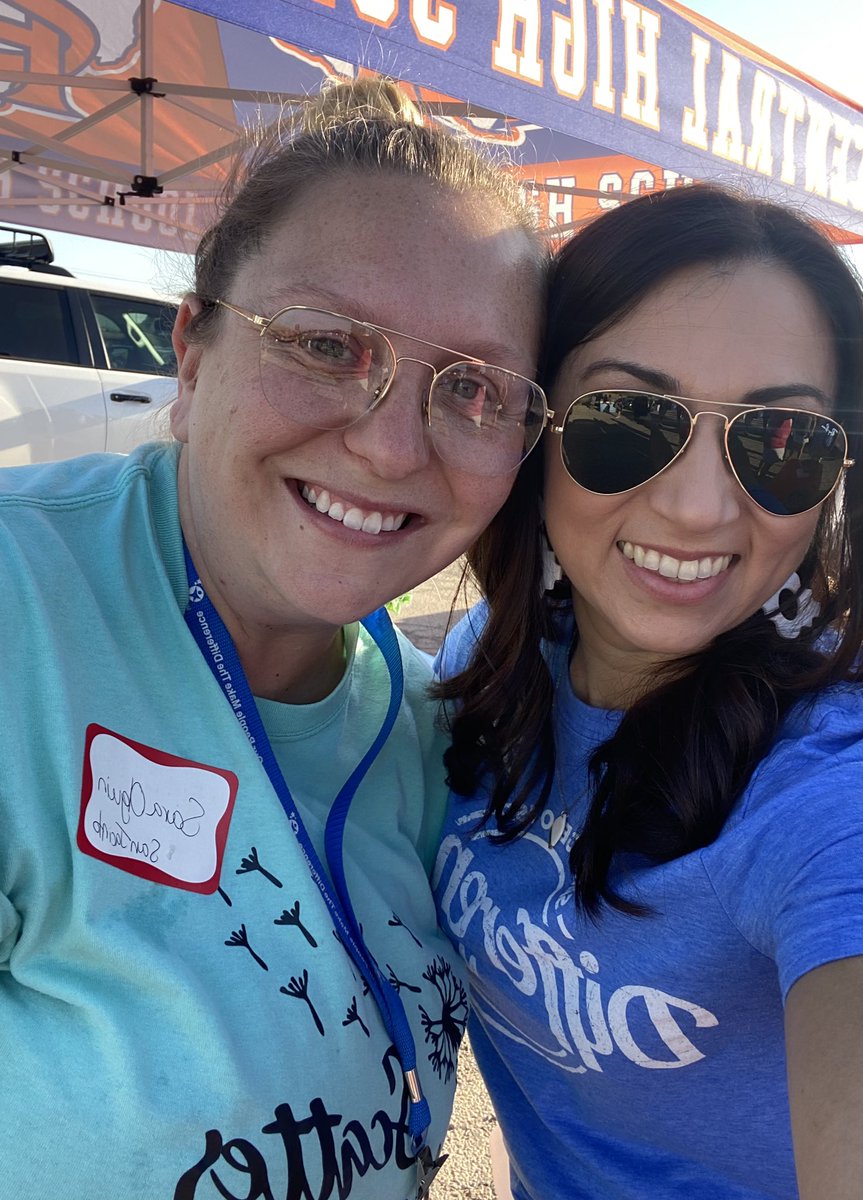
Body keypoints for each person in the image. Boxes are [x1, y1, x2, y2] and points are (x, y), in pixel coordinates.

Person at [0, 79, 548, 1199]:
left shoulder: (432, 720)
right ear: (192, 352)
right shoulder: (21, 609)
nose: (394, 447)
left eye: (474, 388)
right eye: (325, 342)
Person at [432, 185, 863, 1200]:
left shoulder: (843, 787)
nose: (697, 508)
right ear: (532, 419)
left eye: (783, 442)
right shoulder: (487, 662)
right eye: (626, 419)